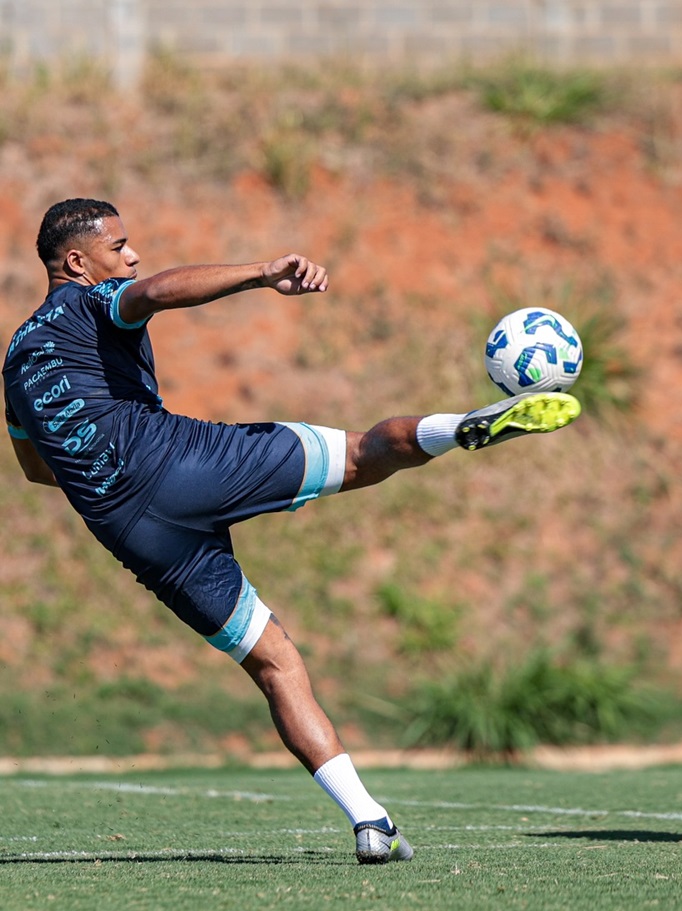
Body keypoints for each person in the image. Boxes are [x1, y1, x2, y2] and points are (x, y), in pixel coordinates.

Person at [3, 198, 582, 864]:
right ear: (77, 261)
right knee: (365, 452)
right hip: (185, 464)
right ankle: (464, 428)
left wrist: (103, 471)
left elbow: (35, 469)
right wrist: (261, 272)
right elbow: (154, 293)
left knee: (274, 664)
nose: (132, 256)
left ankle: (372, 822)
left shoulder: (17, 358)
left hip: (133, 531)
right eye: (120, 246)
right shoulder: (91, 302)